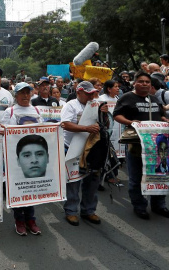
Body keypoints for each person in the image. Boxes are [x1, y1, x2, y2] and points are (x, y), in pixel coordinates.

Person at [114, 71, 169, 220]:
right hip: (136, 145)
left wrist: (165, 120)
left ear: (150, 85)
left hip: (157, 146)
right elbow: (117, 115)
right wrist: (130, 122)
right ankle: (140, 206)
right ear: (134, 83)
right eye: (141, 81)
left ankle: (159, 205)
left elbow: (160, 115)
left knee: (159, 174)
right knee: (136, 177)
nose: (144, 84)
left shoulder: (154, 99)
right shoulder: (127, 98)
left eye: (147, 82)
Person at [61, 81, 108, 226]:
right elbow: (65, 124)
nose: (91, 96)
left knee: (93, 180)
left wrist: (104, 115)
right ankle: (71, 211)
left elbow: (105, 126)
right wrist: (85, 128)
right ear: (78, 92)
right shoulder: (70, 105)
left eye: (92, 93)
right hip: (73, 147)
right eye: (87, 94)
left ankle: (88, 210)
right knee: (74, 181)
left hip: (93, 149)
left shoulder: (97, 104)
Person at [0, 82, 43, 236]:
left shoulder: (36, 110)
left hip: (33, 158)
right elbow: (1, 131)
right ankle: (19, 220)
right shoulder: (10, 111)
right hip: (15, 158)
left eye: (28, 92)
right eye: (22, 93)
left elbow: (44, 133)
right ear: (16, 95)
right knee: (18, 189)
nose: (25, 96)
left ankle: (31, 220)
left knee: (31, 189)